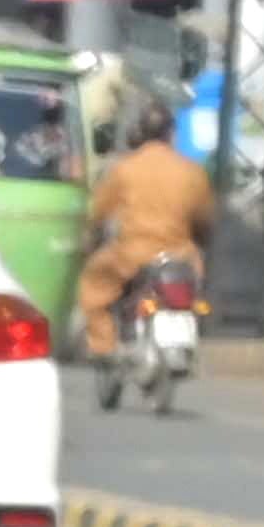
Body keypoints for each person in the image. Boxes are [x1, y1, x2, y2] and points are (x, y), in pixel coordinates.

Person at [73, 121, 219, 357]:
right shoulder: (192, 171)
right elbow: (205, 218)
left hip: (131, 255)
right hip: (180, 255)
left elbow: (98, 212)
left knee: (93, 285)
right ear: (171, 135)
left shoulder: (125, 169)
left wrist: (90, 239)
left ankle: (104, 347)